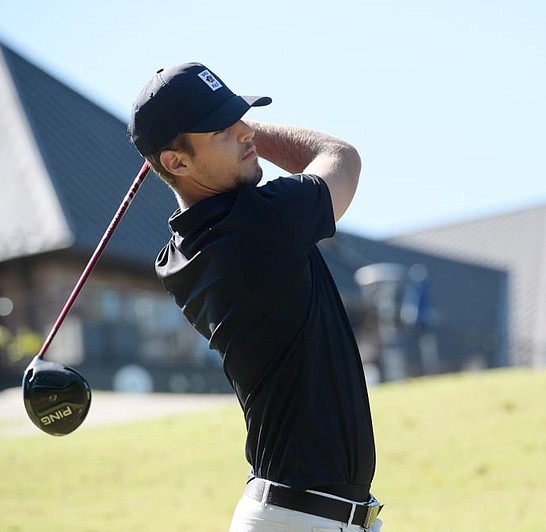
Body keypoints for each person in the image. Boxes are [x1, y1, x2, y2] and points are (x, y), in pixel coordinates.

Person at [128, 62, 382, 531]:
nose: (245, 131)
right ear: (176, 162)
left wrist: (231, 136)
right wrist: (258, 134)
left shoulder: (180, 254)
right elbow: (340, 156)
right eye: (223, 129)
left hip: (298, 515)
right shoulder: (262, 225)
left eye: (242, 116)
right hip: (300, 518)